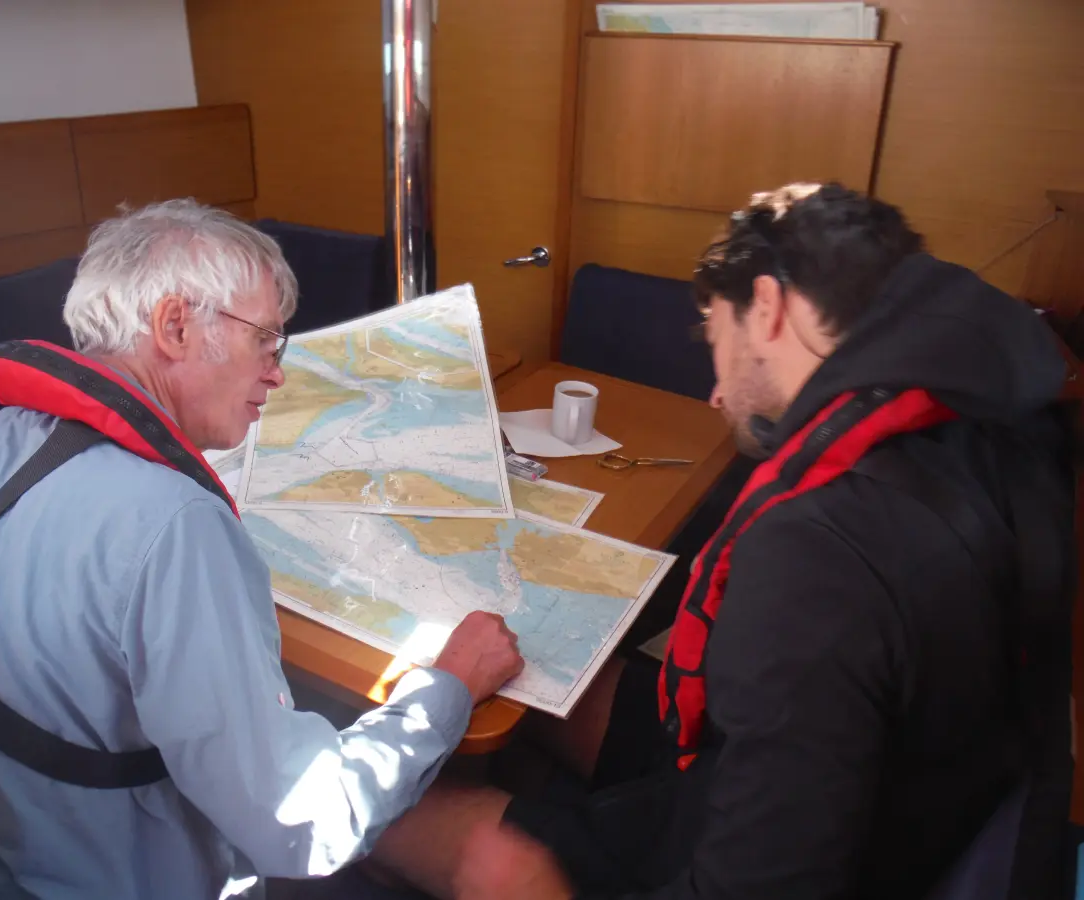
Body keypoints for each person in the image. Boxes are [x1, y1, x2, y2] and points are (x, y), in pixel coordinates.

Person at [370, 183, 1076, 899]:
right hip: (868, 790)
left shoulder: (820, 553)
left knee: (396, 821)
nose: (715, 391)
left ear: (767, 307)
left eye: (716, 333)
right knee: (548, 665)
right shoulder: (984, 431)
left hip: (785, 848)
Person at [0, 199, 524, 899]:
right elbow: (303, 823)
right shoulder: (174, 525)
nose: (277, 373)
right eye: (267, 341)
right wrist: (448, 691)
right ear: (175, 326)